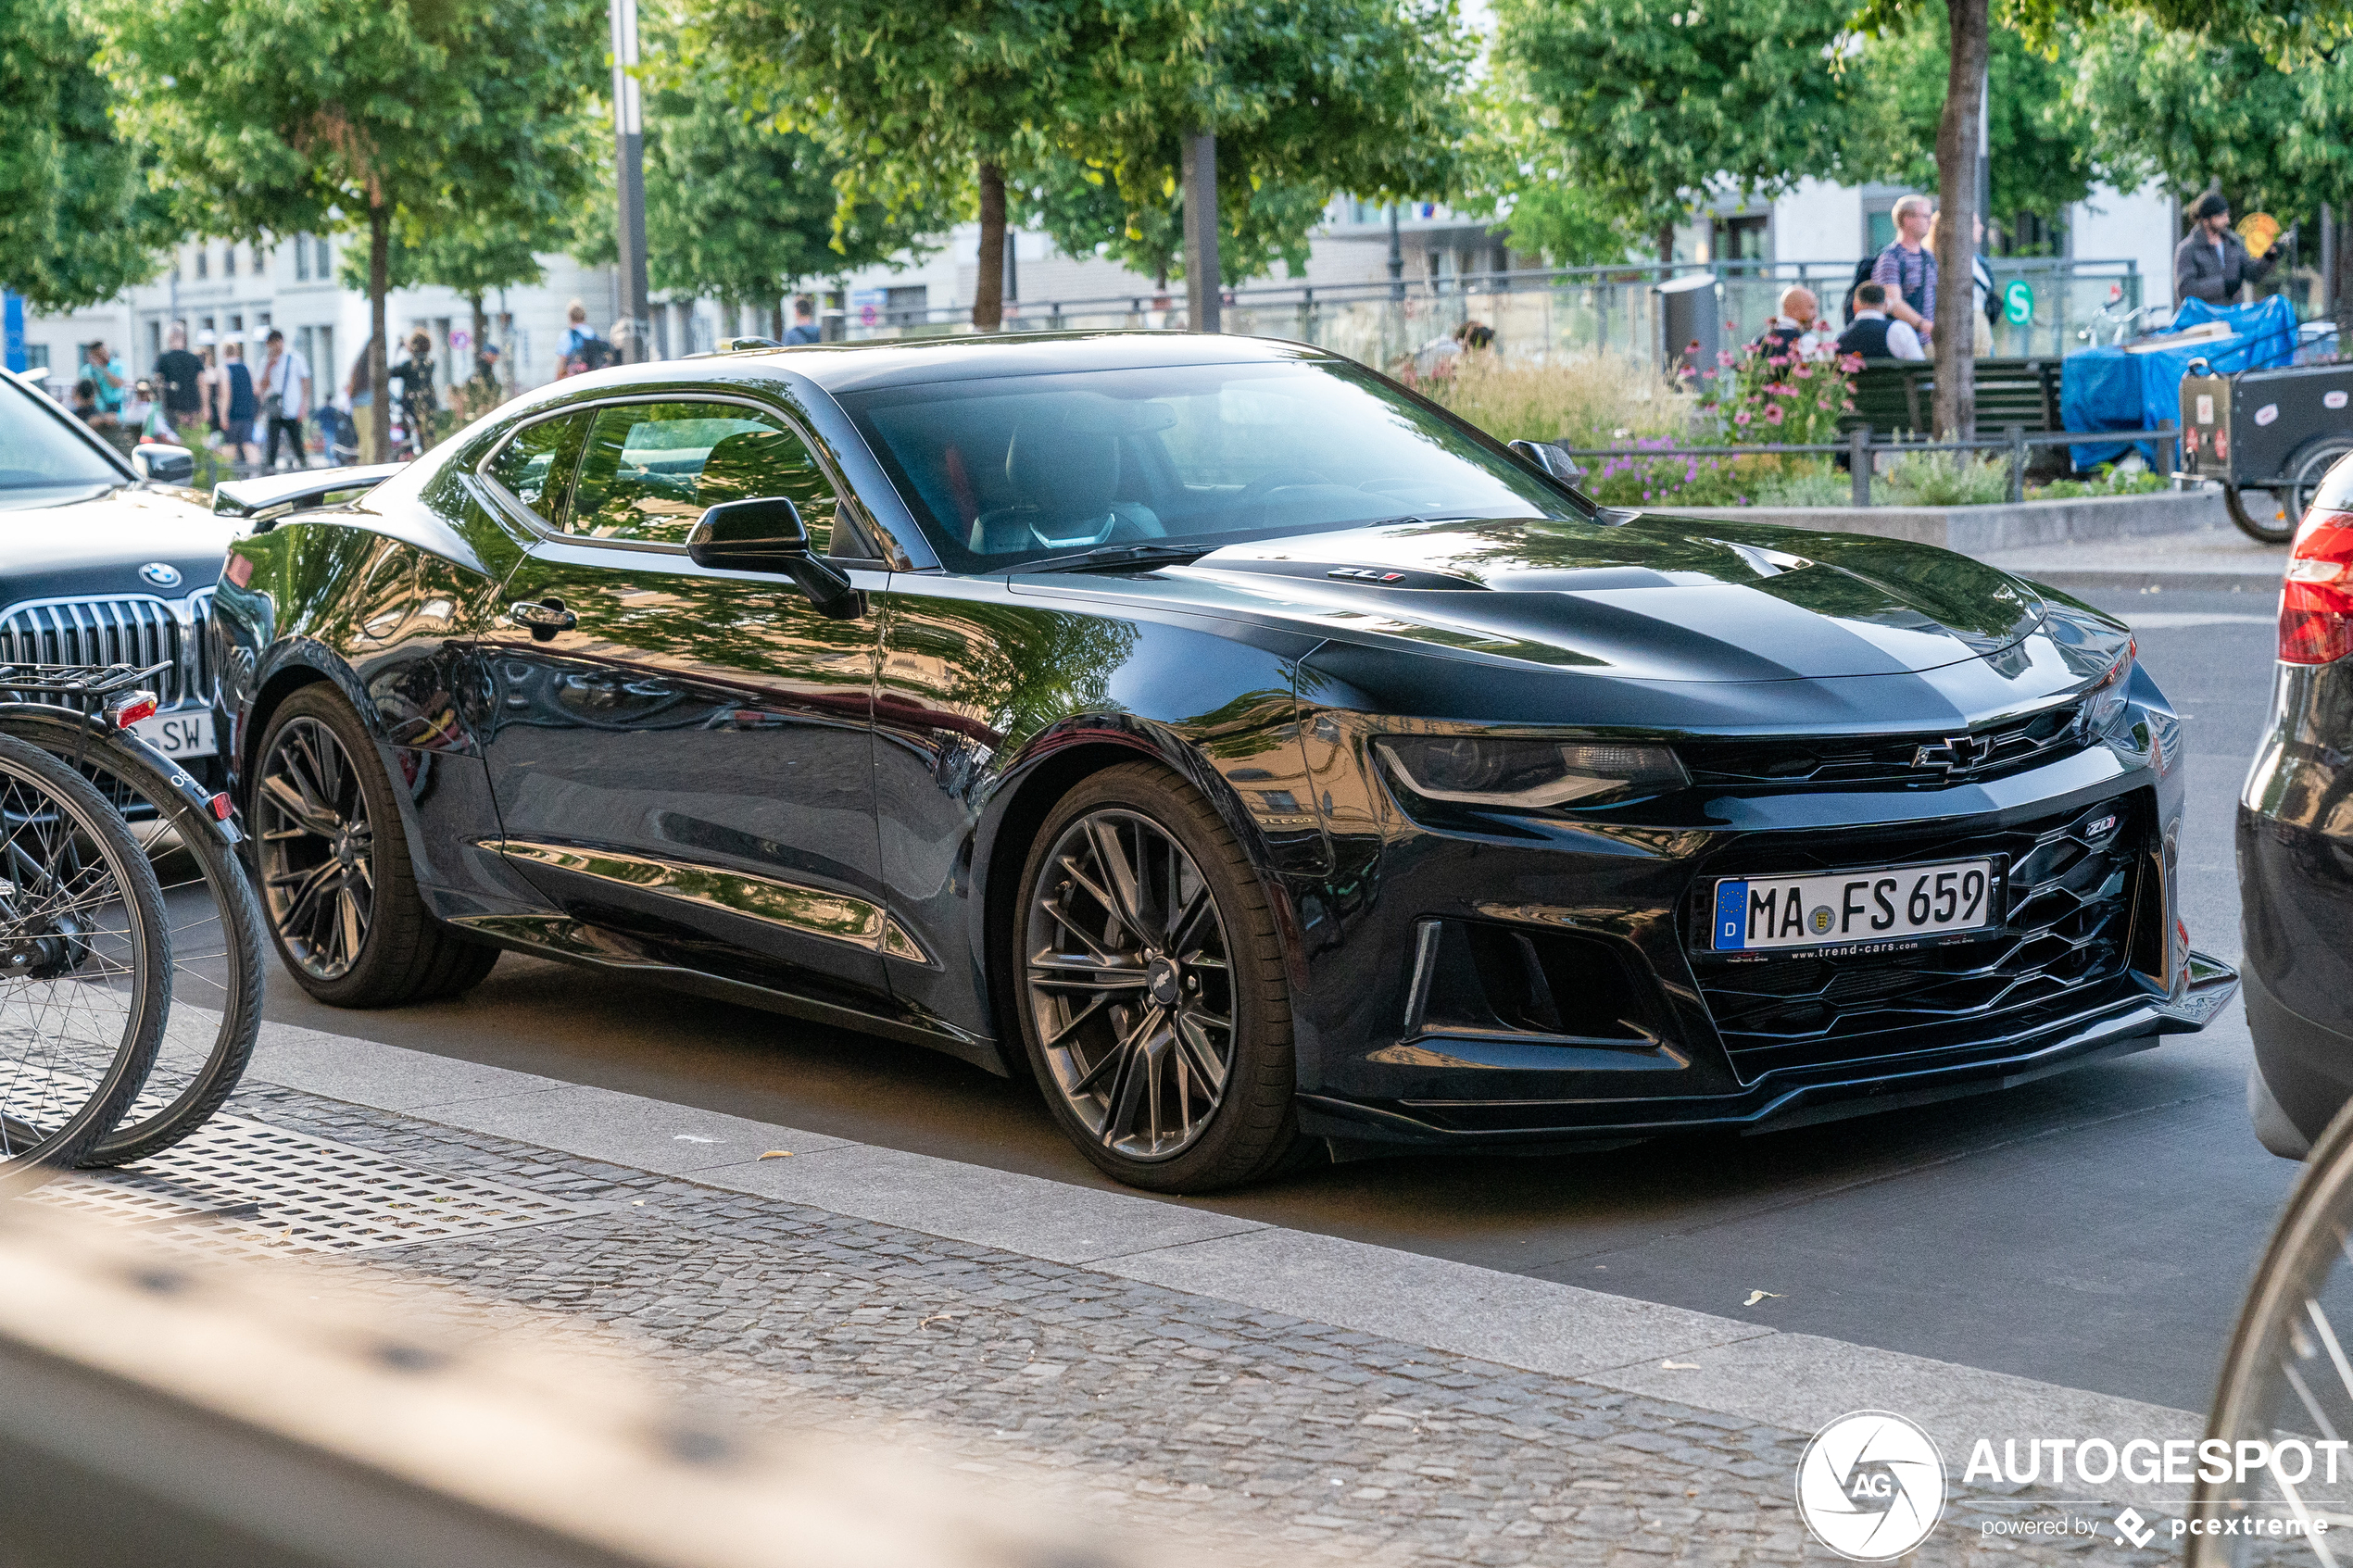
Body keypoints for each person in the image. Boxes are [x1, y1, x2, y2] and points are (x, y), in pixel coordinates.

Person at [2176, 192, 2281, 307]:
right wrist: (2223, 286)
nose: (2227, 220)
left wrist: (2268, 257)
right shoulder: (2187, 249)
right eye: (2221, 216)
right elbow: (2185, 290)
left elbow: (2251, 274)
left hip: (2233, 315)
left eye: (2227, 215)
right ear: (2206, 220)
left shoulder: (2233, 243)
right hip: (2205, 319)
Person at [1864, 195, 1936, 343]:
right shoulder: (1890, 258)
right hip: (1903, 344)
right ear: (1907, 219)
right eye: (1925, 216)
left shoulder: (1929, 257)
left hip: (1928, 342)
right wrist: (1926, 326)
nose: (1930, 220)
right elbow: (1892, 303)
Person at [257, 327, 312, 470]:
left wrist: (303, 405)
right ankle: (270, 468)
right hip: (275, 408)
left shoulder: (295, 359)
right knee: (272, 442)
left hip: (293, 406)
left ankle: (303, 465)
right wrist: (269, 367)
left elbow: (305, 381)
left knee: (296, 441)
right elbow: (262, 385)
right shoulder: (265, 362)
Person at [1836, 282, 1925, 360]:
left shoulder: (1841, 339)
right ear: (1886, 305)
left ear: (1854, 306)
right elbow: (1919, 367)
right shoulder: (1899, 330)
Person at [388, 330, 438, 458]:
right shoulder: (431, 363)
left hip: (411, 407)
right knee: (429, 436)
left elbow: (391, 373)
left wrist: (398, 351)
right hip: (428, 404)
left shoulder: (407, 366)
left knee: (410, 437)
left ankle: (411, 456)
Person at [154, 323, 206, 441]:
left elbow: (158, 382)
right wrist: (205, 405)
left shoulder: (163, 358)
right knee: (194, 438)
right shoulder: (193, 358)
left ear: (169, 338)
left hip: (172, 406)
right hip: (193, 405)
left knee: (174, 438)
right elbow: (202, 383)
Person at [221, 340, 259, 467]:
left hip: (233, 412)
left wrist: (223, 414)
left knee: (230, 444)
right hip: (248, 411)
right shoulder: (246, 368)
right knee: (248, 442)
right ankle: (256, 473)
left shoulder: (225, 369)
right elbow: (255, 390)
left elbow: (226, 393)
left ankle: (227, 473)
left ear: (224, 353)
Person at [1753, 286, 1822, 355]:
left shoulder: (1758, 342)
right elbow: (1818, 365)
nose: (1816, 314)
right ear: (1795, 309)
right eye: (1811, 308)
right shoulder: (1807, 341)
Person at [345, 338, 379, 463]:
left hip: (357, 405)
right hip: (367, 405)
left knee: (363, 437)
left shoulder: (360, 365)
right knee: (370, 437)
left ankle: (363, 463)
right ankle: (368, 464)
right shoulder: (373, 365)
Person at [83, 340, 127, 420]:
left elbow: (118, 384)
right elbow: (82, 391)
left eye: (103, 352)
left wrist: (104, 369)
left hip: (116, 411)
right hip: (95, 412)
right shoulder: (87, 370)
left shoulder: (118, 365)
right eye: (98, 355)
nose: (102, 356)